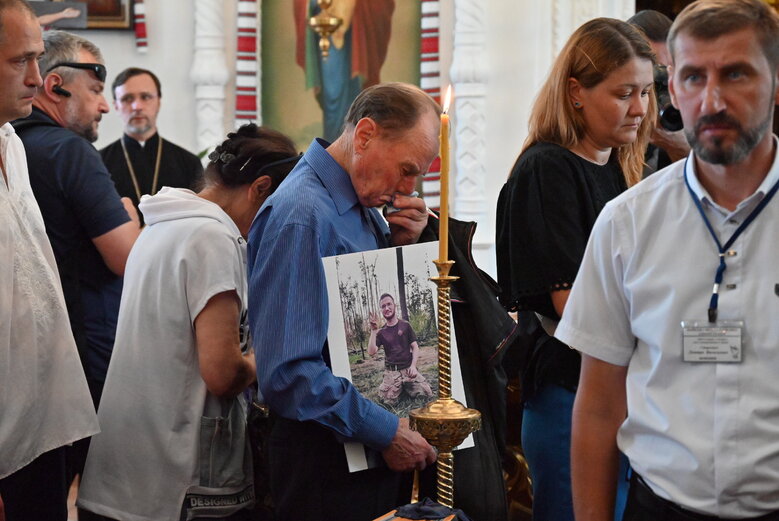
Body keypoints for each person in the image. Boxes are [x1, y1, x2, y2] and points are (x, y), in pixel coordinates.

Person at [556, 1, 779, 520]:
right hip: (662, 507)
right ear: (673, 88)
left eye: (736, 74)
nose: (713, 98)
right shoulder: (627, 223)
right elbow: (599, 405)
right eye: (694, 76)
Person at [77, 124, 300, 521]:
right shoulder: (212, 237)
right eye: (274, 209)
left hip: (123, 471)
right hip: (176, 481)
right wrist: (265, 353)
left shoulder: (159, 224)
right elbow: (222, 373)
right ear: (260, 188)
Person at [248, 82, 438, 521]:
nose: (408, 188)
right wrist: (387, 430)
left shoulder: (358, 202)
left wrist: (398, 246)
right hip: (323, 463)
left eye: (419, 176)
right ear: (366, 135)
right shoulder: (302, 215)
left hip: (359, 452)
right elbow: (288, 373)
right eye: (407, 169)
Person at [495, 18, 656, 521]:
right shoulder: (546, 170)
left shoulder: (620, 167)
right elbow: (572, 307)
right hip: (571, 395)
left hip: (628, 389)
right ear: (576, 92)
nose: (640, 109)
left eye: (647, 92)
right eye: (624, 92)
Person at [11, 29, 140, 484]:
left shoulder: (13, 145)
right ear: (55, 87)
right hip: (84, 351)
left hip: (24, 354)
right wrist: (132, 216)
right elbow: (126, 257)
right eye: (96, 90)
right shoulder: (71, 152)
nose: (105, 106)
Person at [0, 2, 99, 520]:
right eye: (22, 61)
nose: (39, 80)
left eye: (39, 59)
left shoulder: (12, 144)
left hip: (42, 417)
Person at [101, 67, 204, 220]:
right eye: (127, 98)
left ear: (158, 102)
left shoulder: (188, 163)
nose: (137, 106)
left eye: (145, 97)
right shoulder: (99, 162)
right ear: (116, 105)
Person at [294, 0, 395, 141]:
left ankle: (350, 142)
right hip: (329, 36)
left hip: (355, 36)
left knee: (354, 92)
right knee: (333, 94)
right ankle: (335, 143)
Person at [628, 9, 691, 175]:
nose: (661, 79)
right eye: (653, 68)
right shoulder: (607, 122)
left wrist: (682, 149)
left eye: (668, 69)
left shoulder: (689, 119)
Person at [368, 293, 433, 406]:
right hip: (392, 372)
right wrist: (373, 331)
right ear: (381, 310)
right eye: (383, 306)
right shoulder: (381, 332)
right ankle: (400, 389)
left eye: (389, 304)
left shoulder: (405, 325)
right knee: (387, 401)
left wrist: (413, 366)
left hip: (408, 369)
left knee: (427, 393)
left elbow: (415, 347)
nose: (387, 308)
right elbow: (371, 352)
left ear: (395, 305)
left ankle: (406, 387)